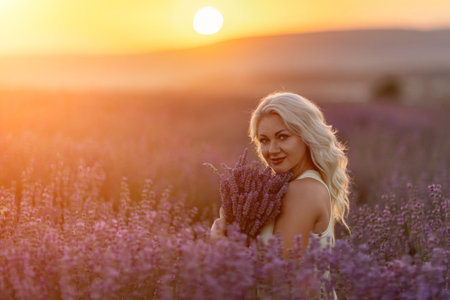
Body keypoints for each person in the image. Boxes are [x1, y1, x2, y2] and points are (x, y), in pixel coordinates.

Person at [211, 92, 350, 299]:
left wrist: (221, 246)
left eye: (283, 137)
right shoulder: (298, 186)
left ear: (306, 136)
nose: (272, 150)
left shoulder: (304, 190)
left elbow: (277, 276)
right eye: (264, 140)